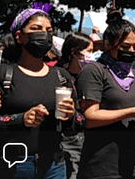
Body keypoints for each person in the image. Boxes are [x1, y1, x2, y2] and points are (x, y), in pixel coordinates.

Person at [0, 3, 77, 179]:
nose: (44, 34)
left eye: (49, 30)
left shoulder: (62, 76)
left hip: (54, 166)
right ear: (19, 36)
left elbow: (78, 124)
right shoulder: (1, 74)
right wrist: (21, 119)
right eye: (36, 28)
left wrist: (71, 116)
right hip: (11, 166)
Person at [75, 11, 135, 179]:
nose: (131, 51)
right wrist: (131, 112)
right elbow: (90, 118)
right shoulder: (94, 71)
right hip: (102, 167)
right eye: (125, 47)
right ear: (107, 44)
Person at [57, 32, 96, 179]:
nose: (92, 56)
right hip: (69, 139)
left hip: (89, 137)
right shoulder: (60, 77)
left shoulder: (91, 76)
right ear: (74, 52)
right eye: (89, 51)